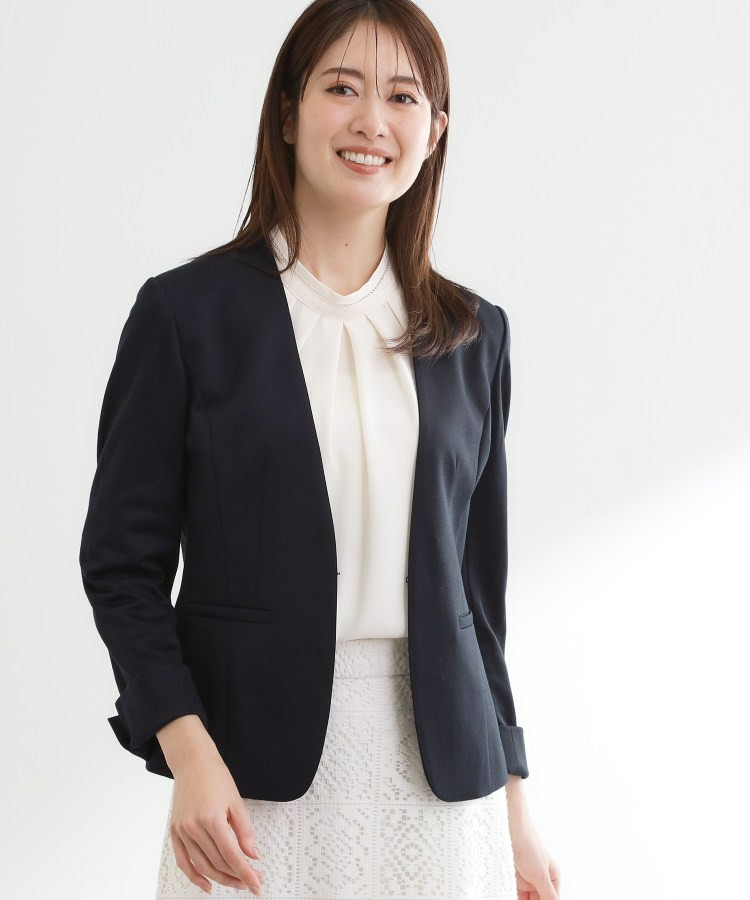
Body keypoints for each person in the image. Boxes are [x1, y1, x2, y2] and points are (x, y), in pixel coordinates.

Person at [79, 1, 561, 898]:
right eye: (342, 87)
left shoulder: (472, 334)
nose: (372, 120)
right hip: (244, 781)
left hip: (443, 782)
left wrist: (515, 801)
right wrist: (187, 751)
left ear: (435, 131)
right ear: (288, 113)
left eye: (403, 96)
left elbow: (479, 596)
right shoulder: (186, 315)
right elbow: (120, 567)